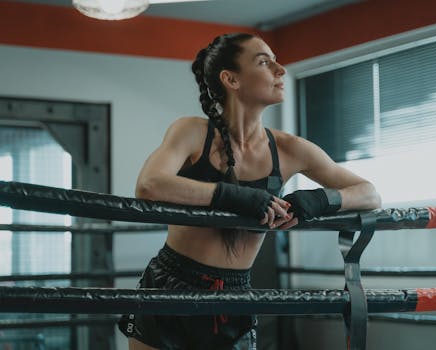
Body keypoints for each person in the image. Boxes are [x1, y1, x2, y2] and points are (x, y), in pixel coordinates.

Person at [118, 33, 381, 350]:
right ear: (231, 79)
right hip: (171, 285)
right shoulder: (193, 132)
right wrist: (233, 197)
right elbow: (149, 185)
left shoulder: (288, 148)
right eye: (264, 62)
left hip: (236, 295)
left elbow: (369, 194)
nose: (280, 70)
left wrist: (318, 199)